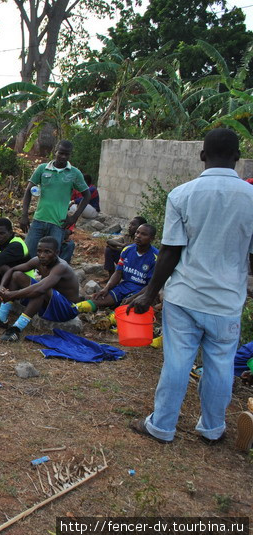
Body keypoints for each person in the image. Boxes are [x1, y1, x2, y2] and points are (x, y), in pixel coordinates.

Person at [126, 128, 253, 446]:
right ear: (238, 158)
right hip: (226, 301)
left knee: (177, 362)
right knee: (221, 365)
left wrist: (149, 293)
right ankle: (212, 429)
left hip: (184, 297)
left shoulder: (182, 195)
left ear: (202, 155)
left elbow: (170, 251)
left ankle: (161, 426)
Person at [0, 236, 80, 342]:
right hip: (50, 302)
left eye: (47, 252)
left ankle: (16, 328)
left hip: (66, 309)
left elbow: (41, 289)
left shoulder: (61, 267)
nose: (42, 255)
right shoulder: (37, 261)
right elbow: (13, 270)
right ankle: (1, 318)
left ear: (57, 252)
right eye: (39, 251)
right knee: (17, 275)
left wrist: (12, 295)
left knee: (41, 289)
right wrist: (2, 287)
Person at [20, 140, 90, 255]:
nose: (63, 156)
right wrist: (24, 215)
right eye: (61, 153)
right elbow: (28, 191)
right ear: (55, 152)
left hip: (58, 224)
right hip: (38, 220)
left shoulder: (74, 173)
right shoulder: (42, 169)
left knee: (51, 258)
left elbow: (86, 195)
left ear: (70, 155)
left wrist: (74, 217)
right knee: (28, 254)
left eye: (66, 154)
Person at [76, 223, 158, 313]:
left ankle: (110, 321)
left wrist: (134, 298)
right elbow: (118, 273)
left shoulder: (156, 257)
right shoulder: (127, 250)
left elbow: (152, 286)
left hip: (140, 292)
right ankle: (71, 309)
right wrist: (106, 288)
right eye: (137, 233)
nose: (138, 236)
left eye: (143, 234)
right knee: (97, 300)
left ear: (152, 238)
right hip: (123, 287)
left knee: (128, 309)